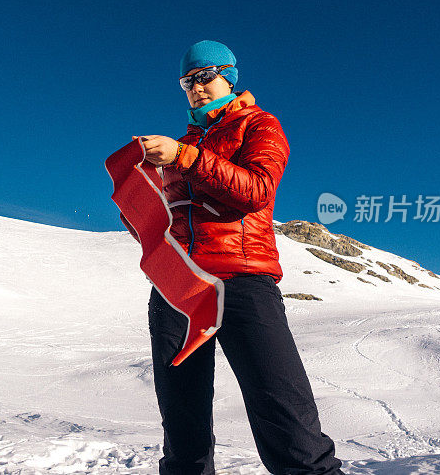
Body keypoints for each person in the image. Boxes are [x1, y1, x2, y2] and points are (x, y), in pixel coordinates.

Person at [135, 40, 345, 474]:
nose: (195, 87)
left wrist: (183, 157)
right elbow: (169, 218)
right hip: (178, 286)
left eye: (204, 77)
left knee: (283, 411)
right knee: (182, 422)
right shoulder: (180, 145)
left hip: (242, 278)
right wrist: (138, 200)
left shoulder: (259, 125)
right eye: (186, 81)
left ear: (229, 76)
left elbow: (257, 190)